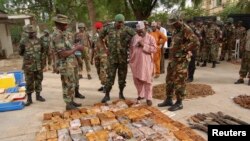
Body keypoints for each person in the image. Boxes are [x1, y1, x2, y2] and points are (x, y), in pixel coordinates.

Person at [158, 11, 200, 111]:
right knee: (169, 80)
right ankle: (169, 99)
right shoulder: (175, 30)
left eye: (174, 23)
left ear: (179, 21)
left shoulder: (186, 29)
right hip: (173, 60)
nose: (172, 25)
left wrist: (184, 49)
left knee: (179, 81)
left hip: (181, 61)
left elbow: (196, 42)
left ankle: (179, 102)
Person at [99, 14, 136, 103]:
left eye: (122, 23)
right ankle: (107, 95)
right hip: (112, 58)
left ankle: (121, 93)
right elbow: (100, 37)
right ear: (115, 21)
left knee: (122, 78)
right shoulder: (108, 28)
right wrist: (105, 49)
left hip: (123, 58)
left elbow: (136, 36)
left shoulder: (127, 29)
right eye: (119, 23)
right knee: (110, 77)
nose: (120, 24)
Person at [51, 14, 85, 110]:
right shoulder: (56, 35)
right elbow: (63, 54)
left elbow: (68, 46)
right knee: (67, 84)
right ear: (58, 24)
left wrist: (75, 45)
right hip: (65, 64)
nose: (66, 26)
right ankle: (68, 104)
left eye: (66, 24)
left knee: (72, 83)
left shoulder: (64, 33)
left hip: (71, 63)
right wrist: (77, 48)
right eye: (64, 24)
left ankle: (71, 101)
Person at [130, 22, 157, 106]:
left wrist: (143, 45)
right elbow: (131, 49)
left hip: (146, 63)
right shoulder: (134, 37)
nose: (139, 33)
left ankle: (148, 98)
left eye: (141, 31)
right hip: (135, 62)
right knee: (137, 80)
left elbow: (154, 49)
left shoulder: (150, 38)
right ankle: (141, 95)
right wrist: (131, 60)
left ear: (144, 28)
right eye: (138, 31)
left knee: (147, 81)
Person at [19, 24, 46, 106]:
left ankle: (38, 96)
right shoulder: (23, 41)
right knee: (29, 82)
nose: (31, 34)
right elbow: (20, 52)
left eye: (33, 32)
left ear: (35, 32)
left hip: (38, 65)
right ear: (27, 33)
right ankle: (29, 99)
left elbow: (43, 51)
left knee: (39, 80)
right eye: (29, 33)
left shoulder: (39, 41)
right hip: (28, 66)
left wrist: (43, 63)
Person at [91, 22, 108, 93]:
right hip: (96, 56)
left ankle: (106, 86)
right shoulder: (94, 36)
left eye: (99, 28)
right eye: (97, 28)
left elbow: (109, 46)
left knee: (103, 71)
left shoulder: (105, 36)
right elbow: (92, 47)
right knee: (98, 71)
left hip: (104, 56)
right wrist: (91, 58)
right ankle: (103, 85)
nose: (98, 30)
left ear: (102, 28)